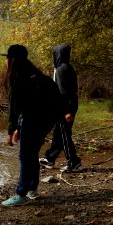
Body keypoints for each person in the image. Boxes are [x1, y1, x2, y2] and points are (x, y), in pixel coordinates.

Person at [0, 44, 61, 206]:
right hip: (47, 120)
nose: (5, 61)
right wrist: (20, 127)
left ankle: (21, 194)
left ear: (12, 60)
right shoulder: (35, 74)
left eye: (6, 57)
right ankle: (32, 189)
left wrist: (11, 130)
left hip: (34, 119)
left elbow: (15, 108)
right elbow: (30, 103)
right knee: (32, 154)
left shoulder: (16, 78)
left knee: (25, 156)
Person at [39, 44, 81, 172]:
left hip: (65, 107)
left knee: (64, 135)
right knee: (58, 132)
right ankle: (50, 158)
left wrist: (67, 111)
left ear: (58, 54)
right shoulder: (66, 67)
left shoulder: (62, 69)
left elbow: (64, 92)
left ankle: (74, 162)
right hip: (65, 106)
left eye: (55, 53)